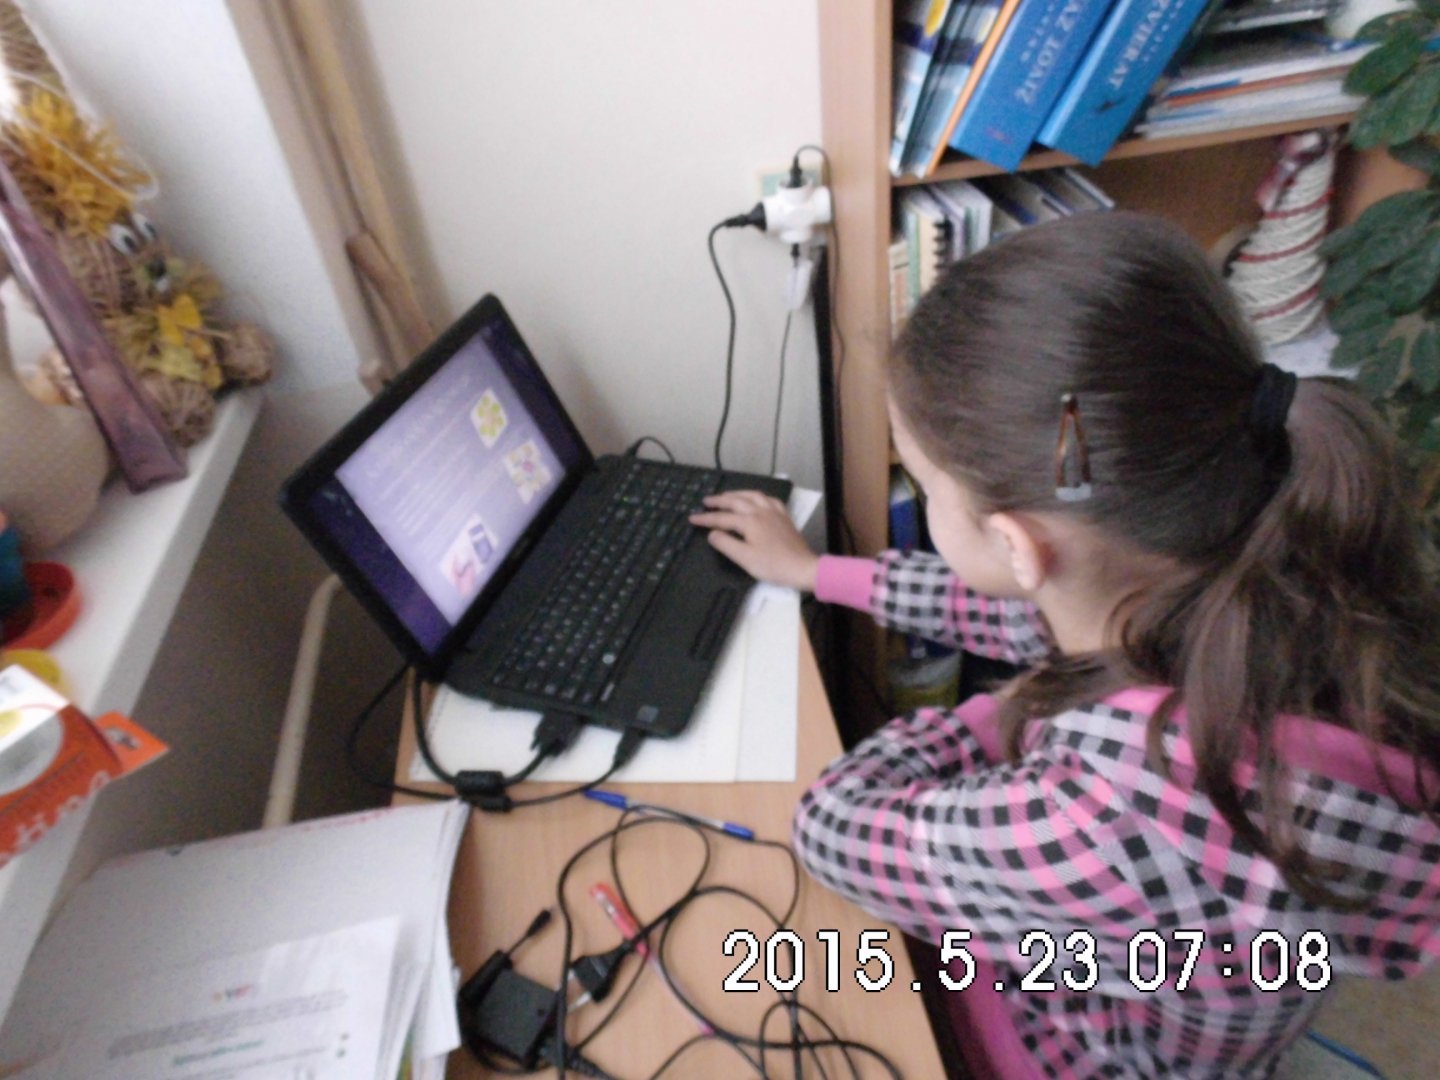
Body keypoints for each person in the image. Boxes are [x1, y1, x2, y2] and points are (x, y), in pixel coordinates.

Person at [689, 212, 1440, 1080]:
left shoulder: (1110, 814)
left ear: (1016, 544)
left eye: (923, 483)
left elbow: (833, 830)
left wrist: (996, 713)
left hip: (1088, 1051)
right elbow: (1019, 613)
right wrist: (817, 573)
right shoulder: (1257, 580)